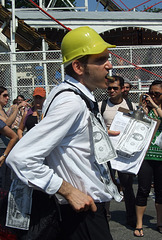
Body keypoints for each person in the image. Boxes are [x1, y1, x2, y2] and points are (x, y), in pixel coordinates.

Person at [6, 26, 122, 240]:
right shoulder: (72, 102)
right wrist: (68, 190)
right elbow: (20, 157)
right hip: (81, 213)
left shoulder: (68, 94)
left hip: (81, 212)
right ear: (78, 66)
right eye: (101, 59)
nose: (109, 65)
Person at [98, 75, 137, 227]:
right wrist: (106, 131)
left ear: (122, 89)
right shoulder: (101, 106)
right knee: (106, 183)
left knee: (127, 186)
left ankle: (132, 218)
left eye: (115, 88)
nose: (112, 91)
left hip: (124, 154)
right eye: (109, 88)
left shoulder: (131, 106)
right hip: (106, 151)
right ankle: (104, 217)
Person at [134, 80, 162, 237]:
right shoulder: (147, 109)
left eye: (156, 94)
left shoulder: (158, 108)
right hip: (146, 155)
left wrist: (155, 105)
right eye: (150, 93)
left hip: (161, 156)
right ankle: (139, 224)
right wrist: (143, 109)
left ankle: (160, 222)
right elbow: (137, 125)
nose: (152, 96)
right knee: (143, 189)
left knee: (160, 191)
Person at [0, 87, 29, 190]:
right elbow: (7, 123)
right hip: (2, 149)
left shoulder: (3, 110)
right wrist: (17, 108)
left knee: (7, 180)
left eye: (7, 95)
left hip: (7, 148)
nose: (7, 98)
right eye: (4, 95)